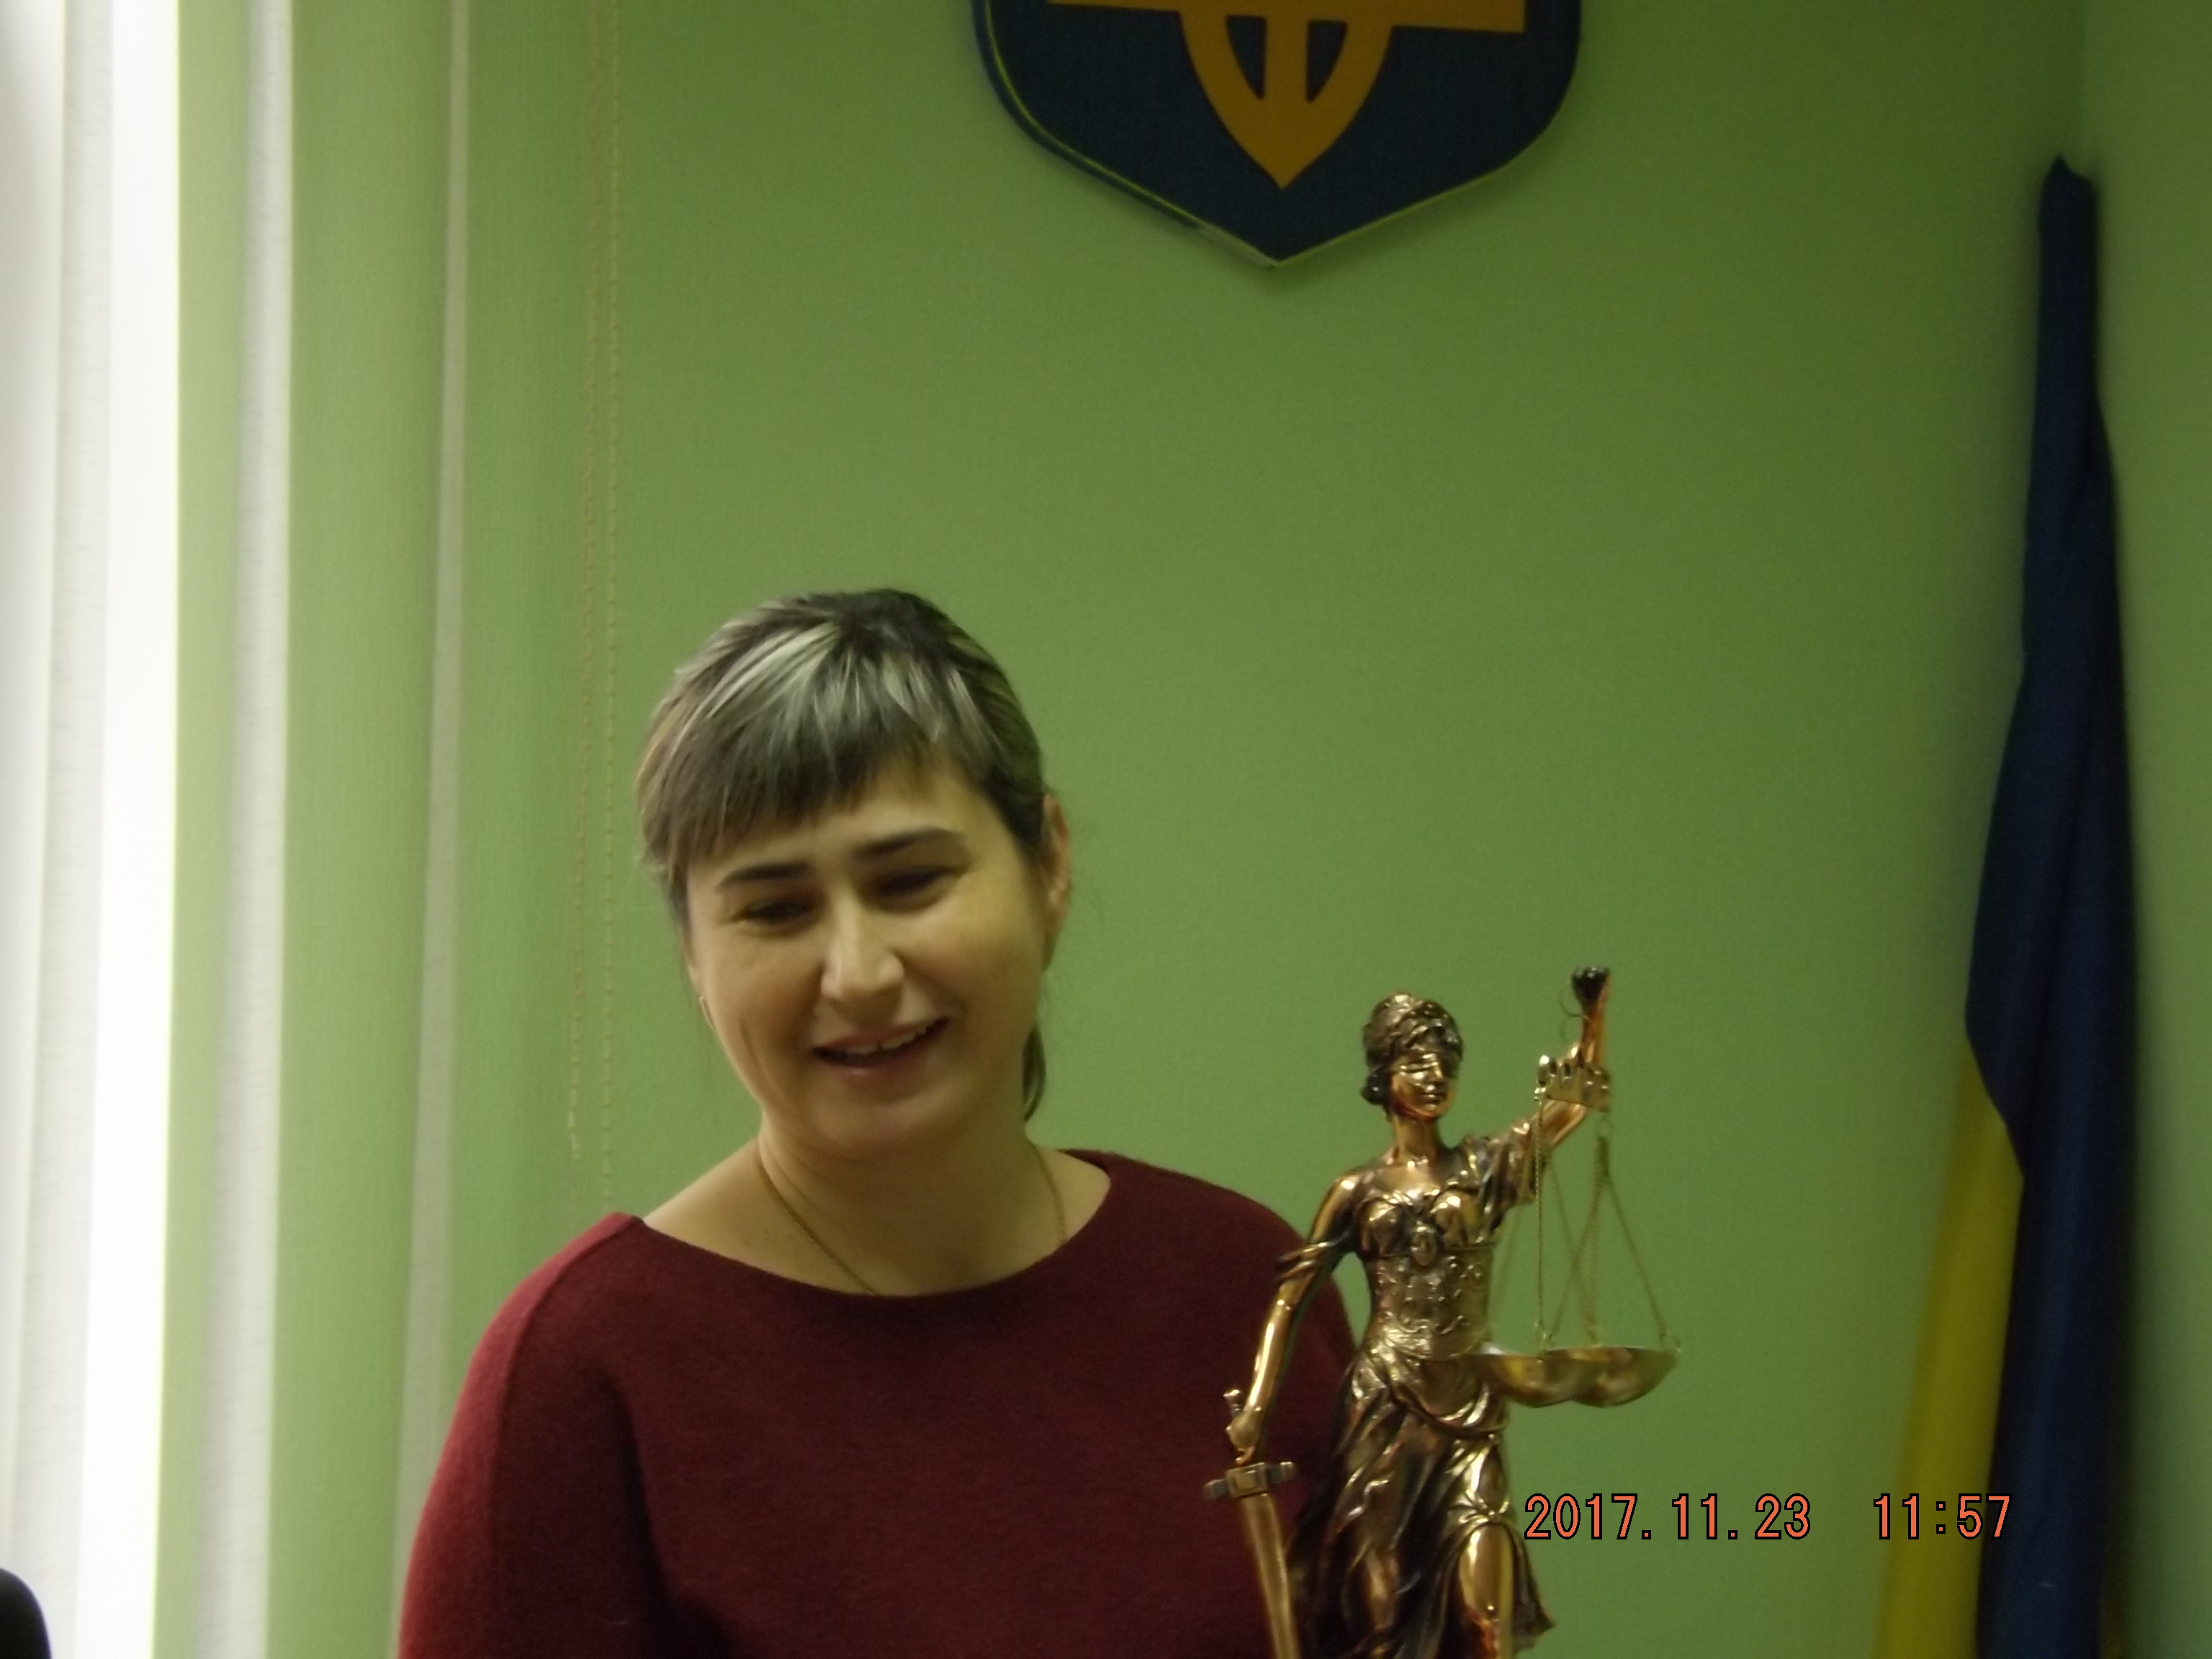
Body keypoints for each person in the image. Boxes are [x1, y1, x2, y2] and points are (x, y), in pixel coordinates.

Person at [399, 589, 1352, 1658]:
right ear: (693, 954)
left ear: (1048, 866)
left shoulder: (1246, 1286)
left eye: (909, 882)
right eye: (776, 910)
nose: (856, 975)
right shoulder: (587, 1375)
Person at [1223, 994, 1604, 1659]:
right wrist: (1257, 1406)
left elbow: (1567, 1108)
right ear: (1384, 1075)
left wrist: (1594, 1019)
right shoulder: (1357, 1191)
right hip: (1384, 1411)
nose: (1434, 1076)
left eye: (1444, 1063)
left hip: (1468, 1413)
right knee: (1381, 1619)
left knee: (1487, 1622)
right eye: (1417, 1061)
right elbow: (1292, 1298)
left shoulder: (1482, 1171)